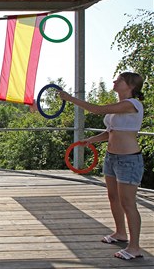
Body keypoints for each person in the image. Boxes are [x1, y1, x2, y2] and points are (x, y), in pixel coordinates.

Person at [59, 72, 145, 260]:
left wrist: (69, 98)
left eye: (119, 80)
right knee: (113, 197)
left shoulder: (132, 104)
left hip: (129, 159)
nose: (114, 81)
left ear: (130, 85)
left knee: (128, 203)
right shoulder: (117, 109)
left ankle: (135, 247)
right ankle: (120, 233)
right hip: (112, 157)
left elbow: (96, 109)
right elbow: (111, 133)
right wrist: (91, 140)